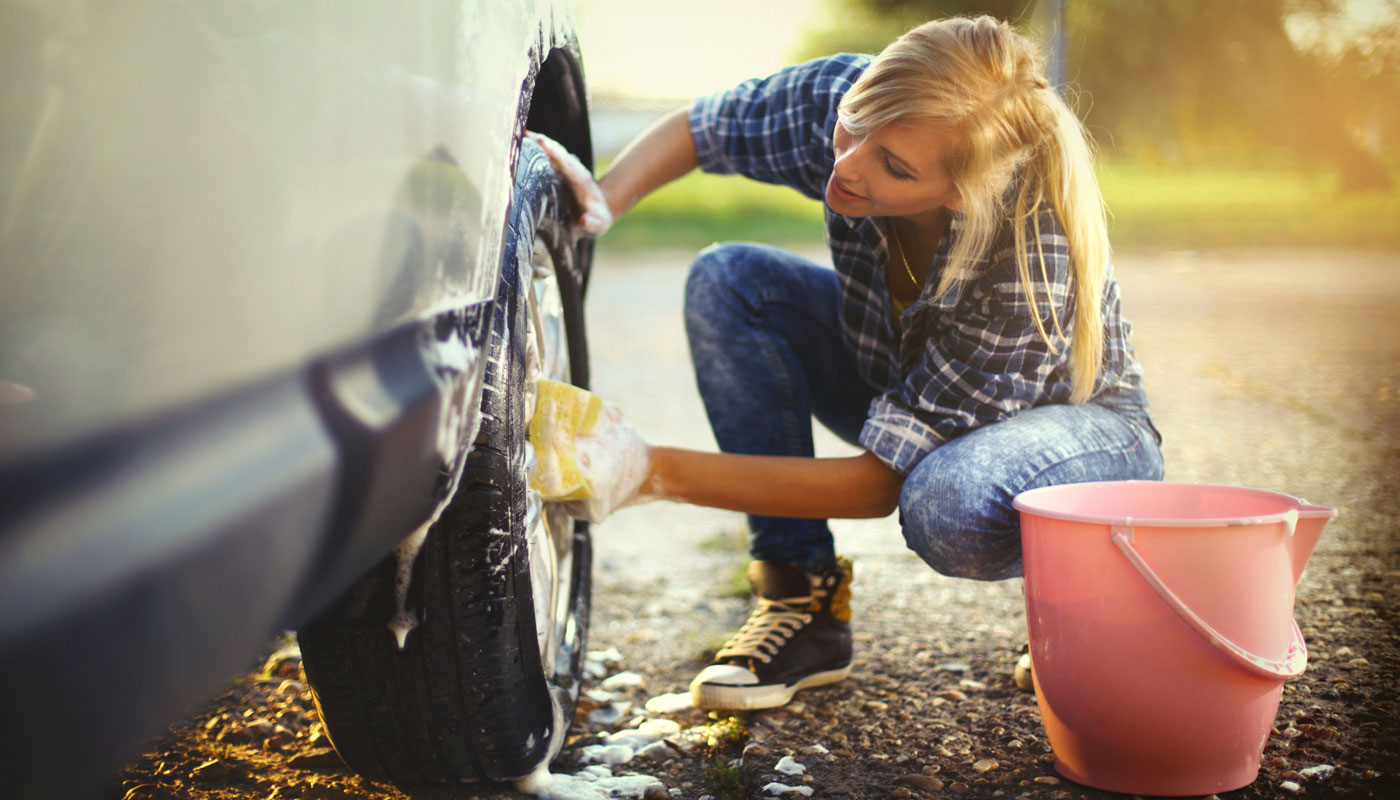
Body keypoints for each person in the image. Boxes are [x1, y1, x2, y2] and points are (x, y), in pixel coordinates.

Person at [529, 15, 1163, 711]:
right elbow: (702, 130)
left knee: (943, 502)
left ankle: (1097, 586)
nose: (847, 165)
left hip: (1082, 437)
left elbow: (876, 486)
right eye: (852, 127)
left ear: (959, 193)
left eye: (894, 167)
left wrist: (648, 471)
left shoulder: (1028, 257)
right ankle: (801, 602)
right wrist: (604, 200)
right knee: (730, 282)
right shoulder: (854, 101)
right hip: (901, 368)